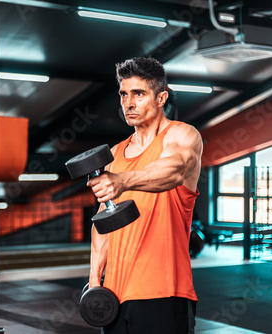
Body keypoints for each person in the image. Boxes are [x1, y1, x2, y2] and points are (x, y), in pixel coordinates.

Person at [87, 56, 203, 334]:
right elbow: (103, 223)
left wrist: (123, 180)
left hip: (164, 291)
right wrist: (94, 281)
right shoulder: (115, 154)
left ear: (161, 97)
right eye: (124, 94)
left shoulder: (182, 136)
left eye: (138, 93)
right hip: (114, 294)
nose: (128, 103)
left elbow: (174, 169)